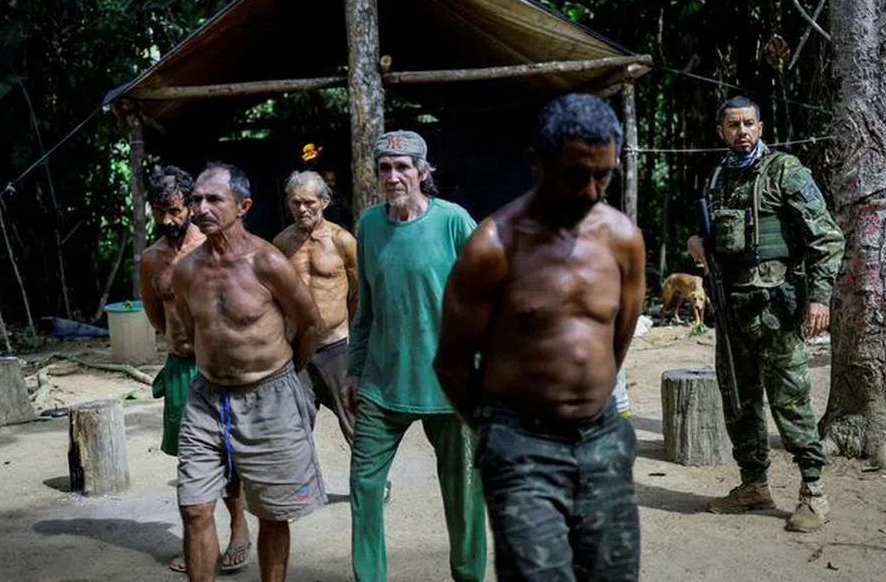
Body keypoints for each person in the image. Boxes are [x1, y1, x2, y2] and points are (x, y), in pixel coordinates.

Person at [435, 93, 647, 582]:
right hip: (521, 446)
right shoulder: (493, 246)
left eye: (604, 175)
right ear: (537, 162)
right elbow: (451, 362)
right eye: (575, 175)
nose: (593, 190)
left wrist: (588, 401)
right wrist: (500, 432)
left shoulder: (623, 239)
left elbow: (619, 337)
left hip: (603, 439)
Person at [687, 95, 844, 532]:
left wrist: (819, 298)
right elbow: (718, 237)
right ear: (721, 131)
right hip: (732, 309)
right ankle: (753, 484)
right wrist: (697, 244)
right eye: (733, 125)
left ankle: (814, 491)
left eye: (749, 123)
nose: (741, 131)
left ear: (761, 126)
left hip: (777, 309)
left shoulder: (785, 172)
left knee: (790, 402)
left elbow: (826, 238)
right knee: (739, 401)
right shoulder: (719, 177)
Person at [172, 162, 328, 582]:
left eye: (213, 199)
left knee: (273, 513)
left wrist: (288, 373)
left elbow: (310, 323)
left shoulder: (267, 262)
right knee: (193, 507)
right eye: (196, 199)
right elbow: (190, 332)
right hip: (207, 398)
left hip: (270, 393)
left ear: (243, 206)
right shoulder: (186, 271)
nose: (201, 207)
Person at [343, 130, 487, 582]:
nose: (393, 176)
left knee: (464, 495)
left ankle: (468, 576)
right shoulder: (368, 225)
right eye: (385, 168)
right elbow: (364, 307)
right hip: (382, 383)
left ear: (423, 173)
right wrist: (352, 370)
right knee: (364, 485)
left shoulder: (453, 222)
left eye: (403, 167)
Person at [138, 165, 252, 574]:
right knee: (191, 458)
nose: (168, 220)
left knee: (228, 452)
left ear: (189, 205)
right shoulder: (151, 260)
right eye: (159, 212)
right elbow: (155, 316)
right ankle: (201, 539)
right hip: (181, 367)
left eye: (174, 210)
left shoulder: (213, 246)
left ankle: (239, 526)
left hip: (219, 367)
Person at [273, 170, 359, 444]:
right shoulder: (281, 244)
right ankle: (301, 486)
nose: (302, 209)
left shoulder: (342, 241)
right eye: (296, 202)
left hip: (337, 345)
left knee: (355, 421)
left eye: (309, 202)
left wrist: (352, 334)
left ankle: (371, 486)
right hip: (298, 348)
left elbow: (359, 292)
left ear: (324, 201)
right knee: (293, 426)